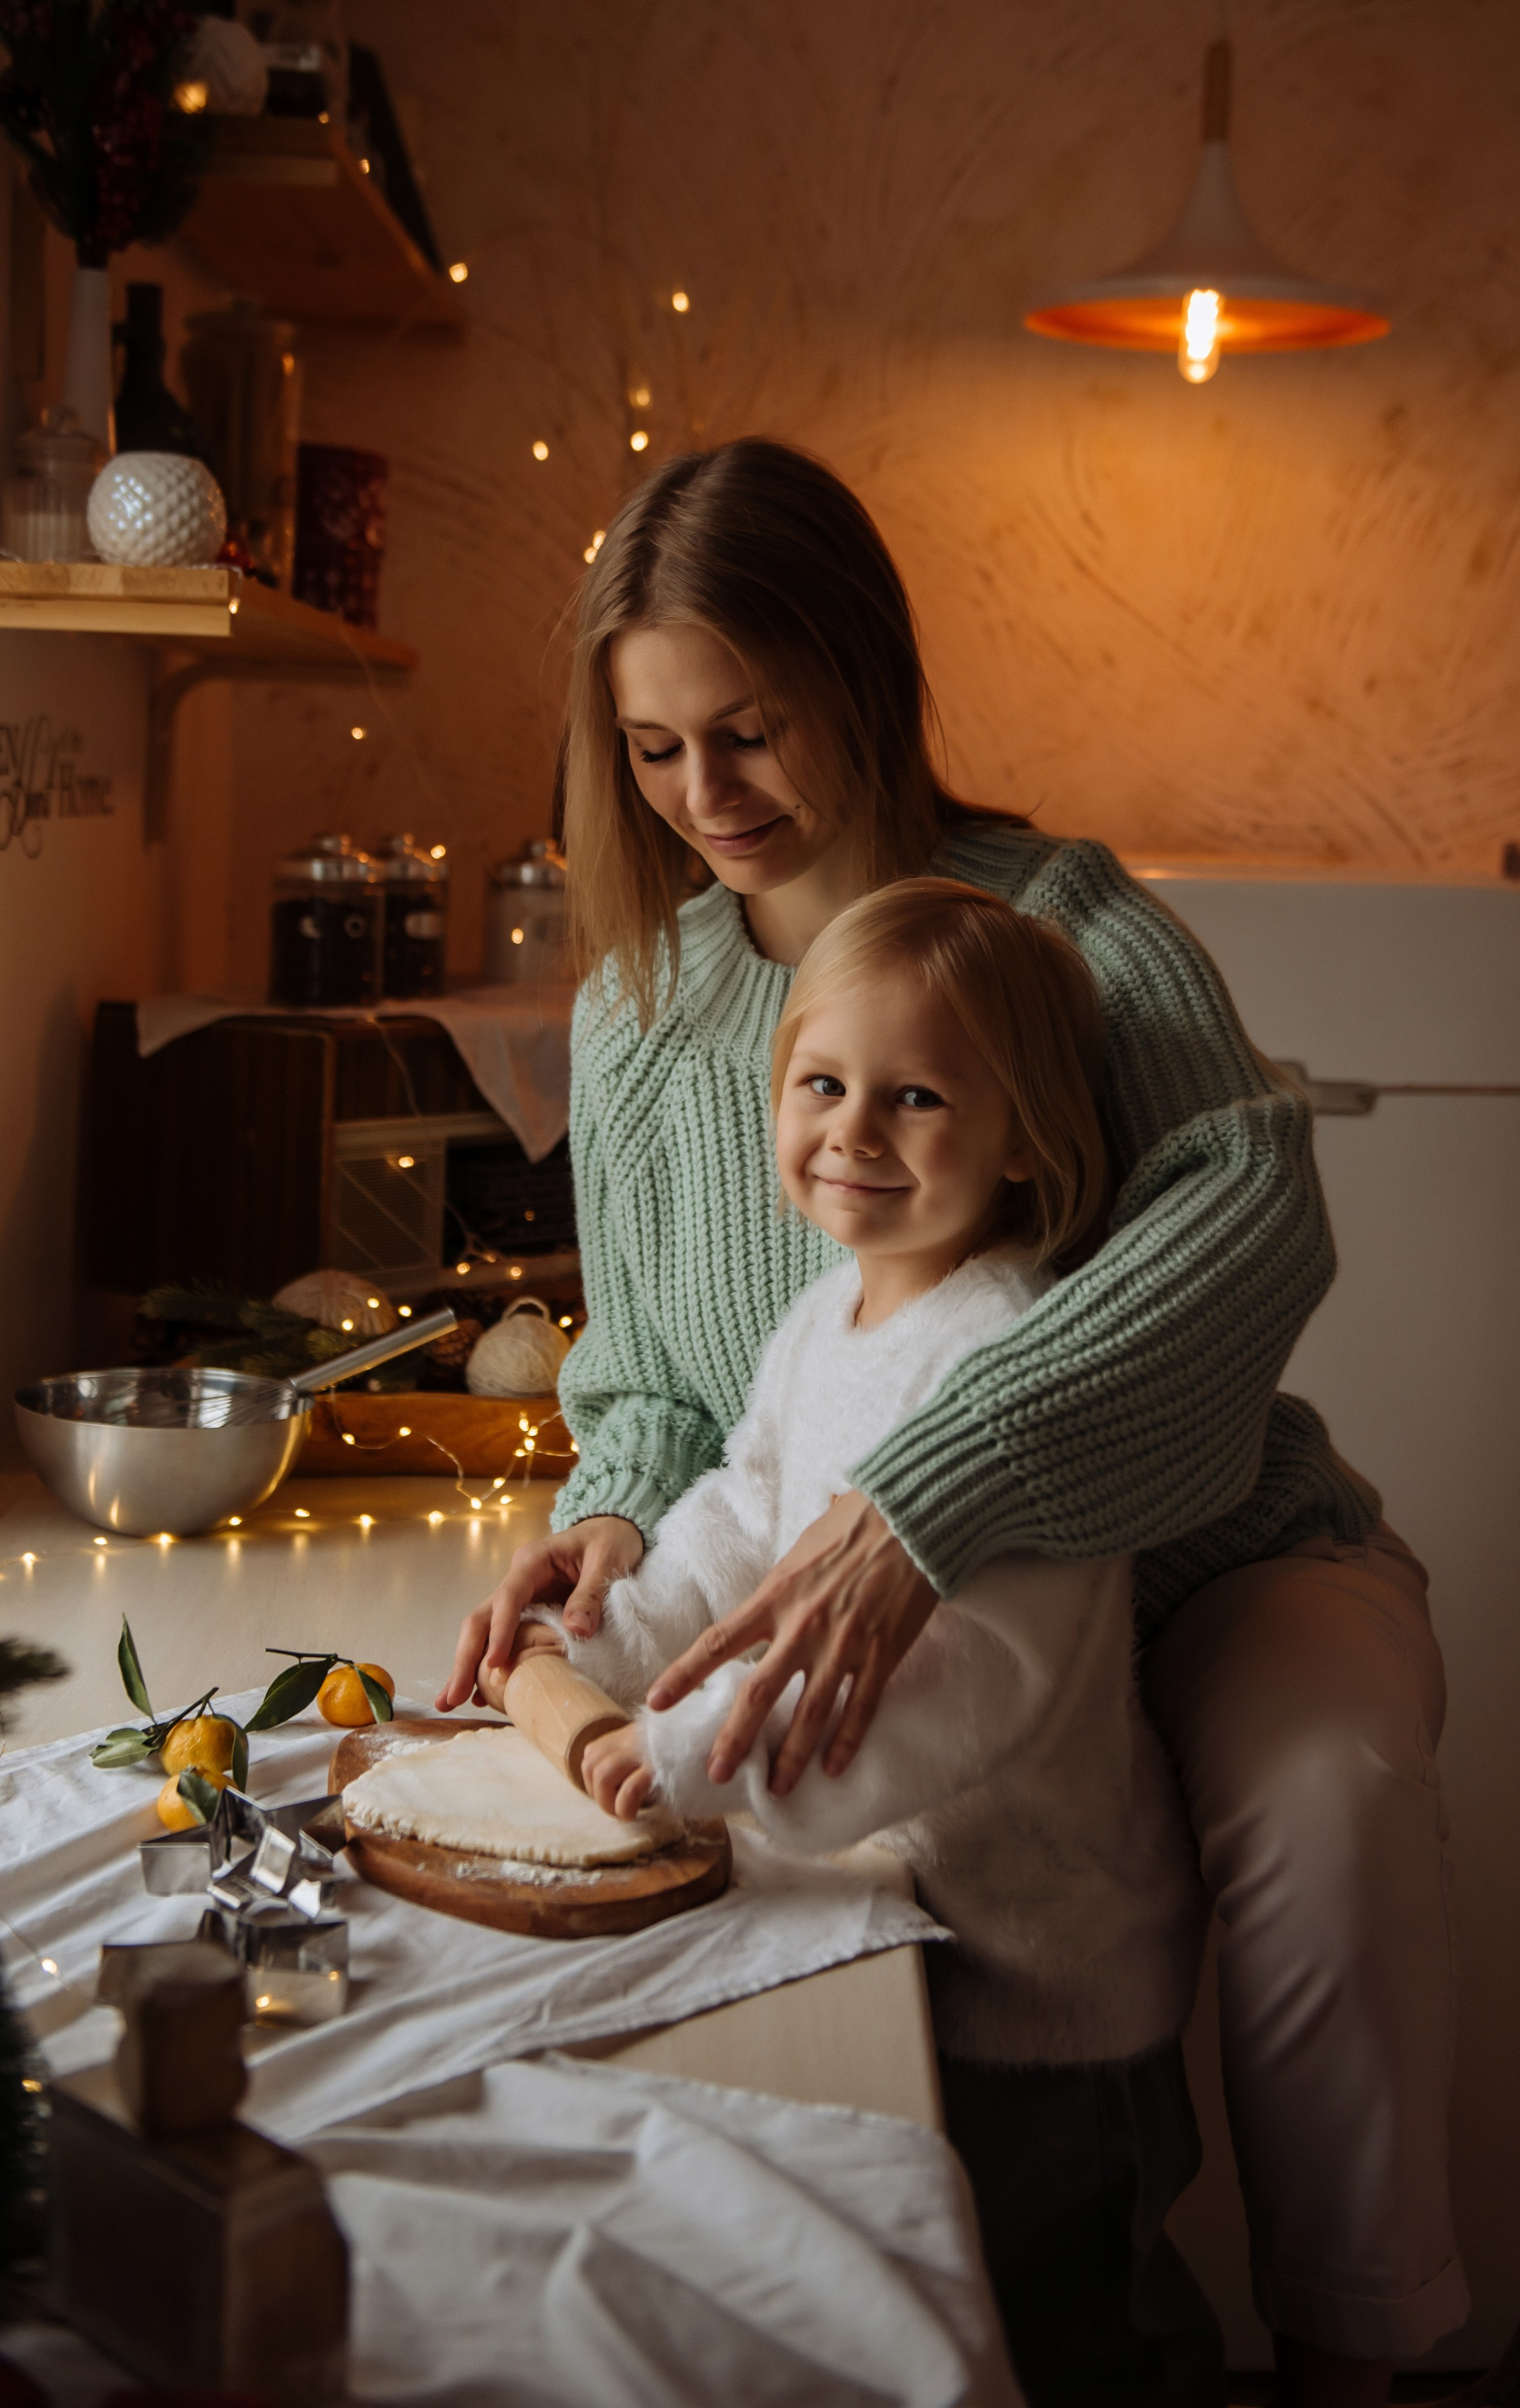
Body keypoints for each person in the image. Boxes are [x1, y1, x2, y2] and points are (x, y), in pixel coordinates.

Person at [441, 438, 1464, 2408]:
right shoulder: (637, 1014)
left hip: (1207, 1564)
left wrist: (934, 1489)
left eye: (750, 729)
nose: (708, 797)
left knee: (1326, 1803)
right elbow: (661, 1390)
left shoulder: (1051, 921)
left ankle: (1363, 2352)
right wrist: (612, 1524)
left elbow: (1257, 1207)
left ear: (865, 678)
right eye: (655, 752)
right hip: (907, 1637)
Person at [526, 875, 1217, 2402]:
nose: (852, 1132)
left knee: (1074, 2327)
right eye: (822, 1085)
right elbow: (736, 1516)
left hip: (1044, 1983)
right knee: (922, 2298)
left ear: (1024, 1138)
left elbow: (944, 1683)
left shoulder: (1007, 1366)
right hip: (892, 1921)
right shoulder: (819, 1319)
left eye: (914, 1098)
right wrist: (615, 1636)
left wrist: (686, 1751)